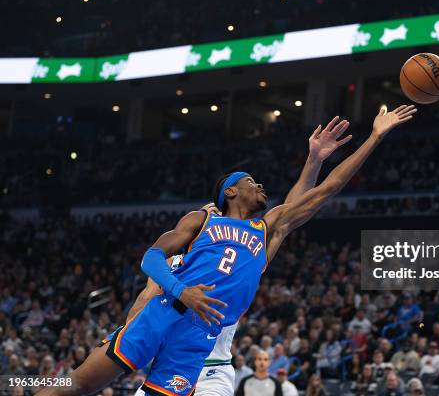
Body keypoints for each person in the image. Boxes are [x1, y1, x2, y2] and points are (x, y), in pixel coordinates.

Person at [39, 105, 417, 396]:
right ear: (231, 191)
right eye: (251, 181)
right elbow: (148, 266)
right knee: (77, 385)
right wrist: (174, 295)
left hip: (204, 354)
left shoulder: (266, 229)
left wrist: (371, 138)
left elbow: (324, 191)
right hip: (162, 319)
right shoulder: (201, 223)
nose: (261, 185)